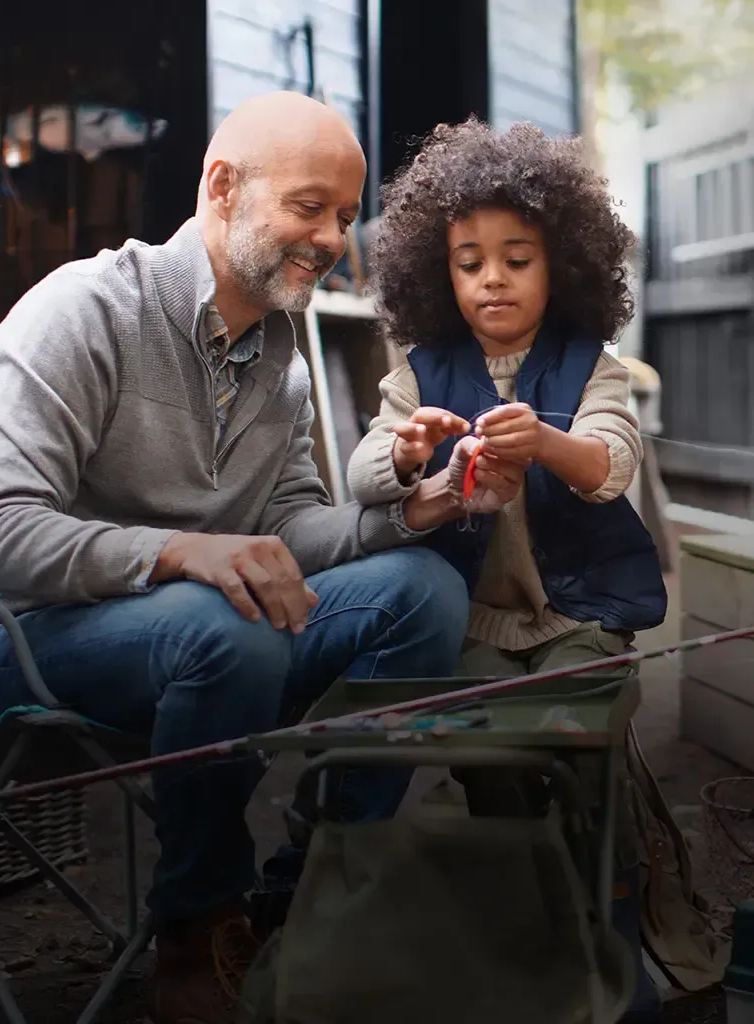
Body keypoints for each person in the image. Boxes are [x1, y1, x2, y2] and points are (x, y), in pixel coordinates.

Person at [0, 92, 470, 1024]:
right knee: (230, 626)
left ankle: (315, 890)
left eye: (343, 214)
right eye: (309, 206)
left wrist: (416, 508)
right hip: (34, 637)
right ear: (222, 186)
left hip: (207, 637)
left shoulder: (281, 361)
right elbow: (1, 530)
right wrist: (182, 552)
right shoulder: (83, 310)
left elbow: (290, 530)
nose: (333, 237)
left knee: (423, 590)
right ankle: (197, 927)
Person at [347, 118, 670, 1018]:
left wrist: (550, 440)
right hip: (475, 621)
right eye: (468, 261)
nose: (491, 278)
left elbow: (610, 465)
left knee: (586, 746)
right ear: (436, 273)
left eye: (517, 258)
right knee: (484, 752)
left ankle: (612, 934)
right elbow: (361, 472)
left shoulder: (590, 366)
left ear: (561, 264)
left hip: (579, 617)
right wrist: (409, 453)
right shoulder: (420, 373)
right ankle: (524, 917)